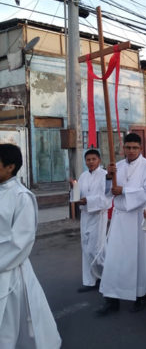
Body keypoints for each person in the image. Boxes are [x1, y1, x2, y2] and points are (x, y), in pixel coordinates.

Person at [0, 143, 61, 348]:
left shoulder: (21, 197)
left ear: (10, 167)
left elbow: (21, 241)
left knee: (9, 324)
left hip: (9, 270)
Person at [97, 133, 146, 314]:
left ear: (140, 148)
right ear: (123, 148)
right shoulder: (118, 166)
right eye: (128, 147)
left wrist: (124, 191)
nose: (131, 151)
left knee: (138, 259)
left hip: (137, 217)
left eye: (134, 148)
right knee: (114, 259)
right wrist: (108, 177)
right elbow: (107, 193)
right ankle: (112, 299)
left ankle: (141, 295)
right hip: (120, 217)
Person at [74, 149, 112, 293]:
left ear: (99, 160)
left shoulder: (105, 176)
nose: (90, 162)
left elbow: (107, 198)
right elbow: (78, 193)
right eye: (88, 160)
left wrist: (88, 201)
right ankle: (90, 281)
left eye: (93, 159)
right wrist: (75, 194)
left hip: (98, 215)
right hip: (85, 215)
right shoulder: (83, 176)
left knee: (96, 249)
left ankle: (107, 277)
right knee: (85, 247)